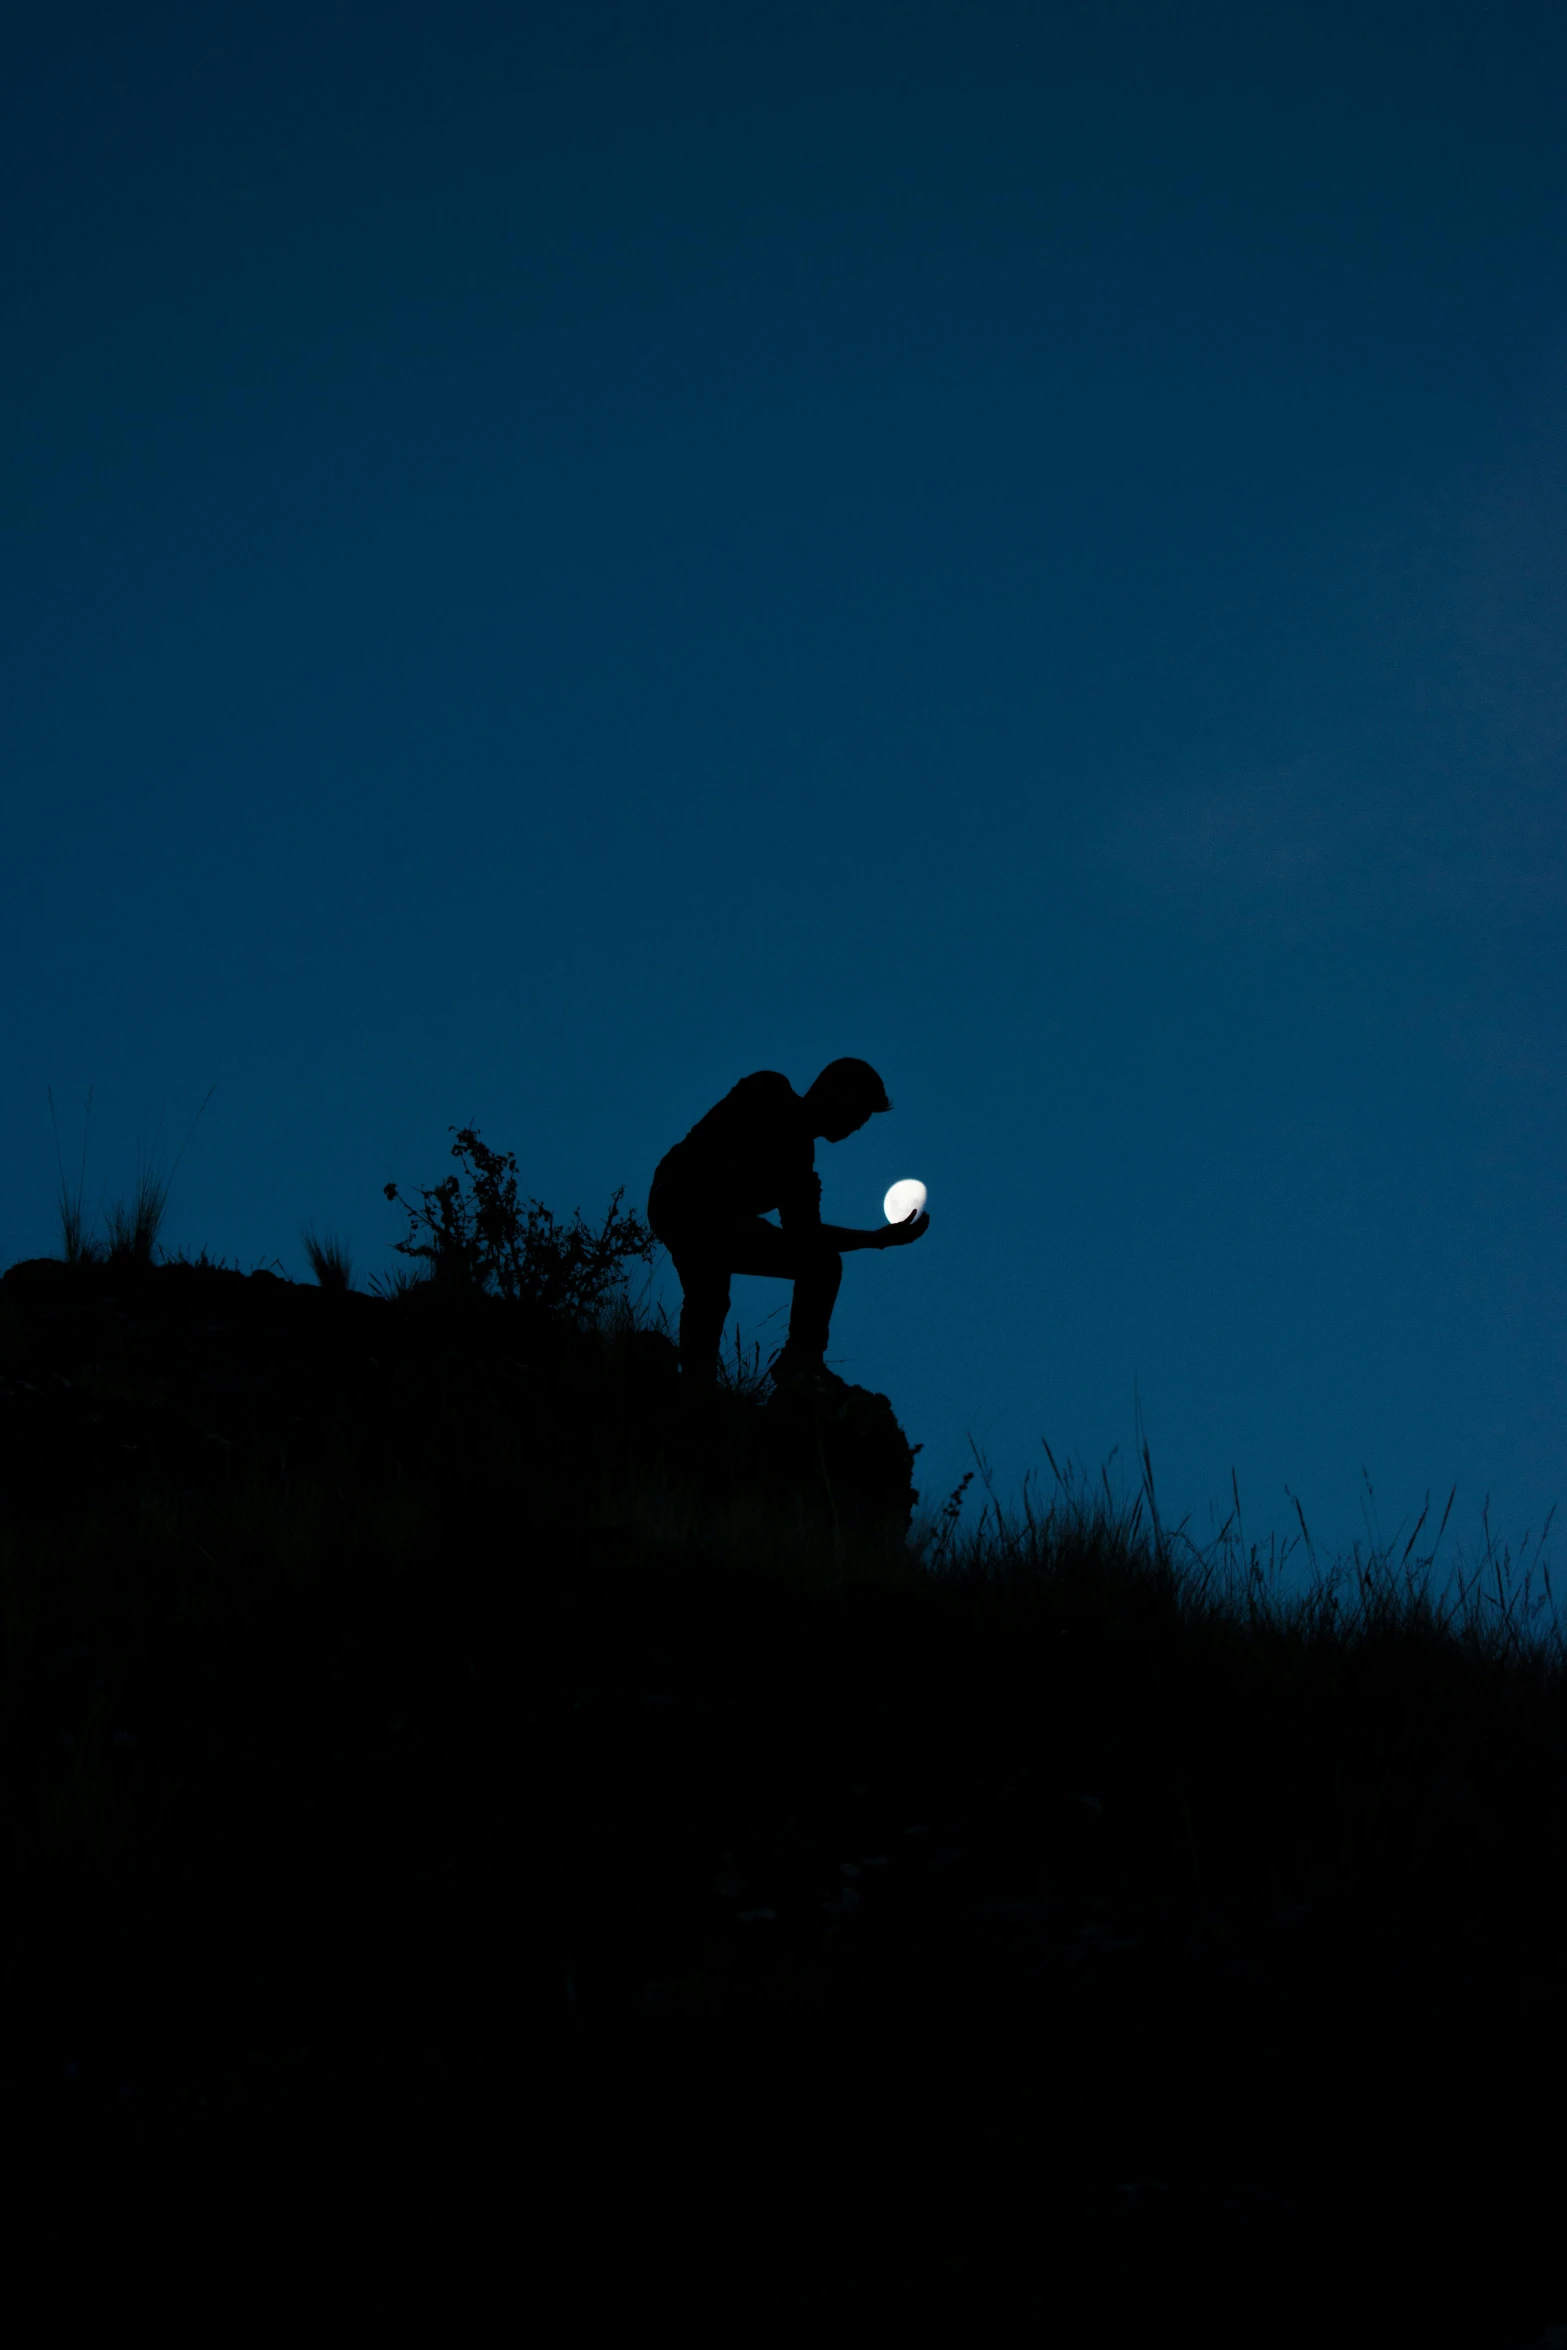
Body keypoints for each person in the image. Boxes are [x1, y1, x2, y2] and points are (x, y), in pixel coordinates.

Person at [647, 1058, 930, 1395]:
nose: (860, 1122)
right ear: (834, 1090)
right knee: (714, 1289)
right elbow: (717, 1154)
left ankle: (785, 1368)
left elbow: (807, 1237)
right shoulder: (769, 1090)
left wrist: (876, 1240)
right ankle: (750, 1378)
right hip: (682, 1200)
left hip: (715, 1221)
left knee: (809, 1266)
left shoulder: (800, 1163)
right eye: (861, 1108)